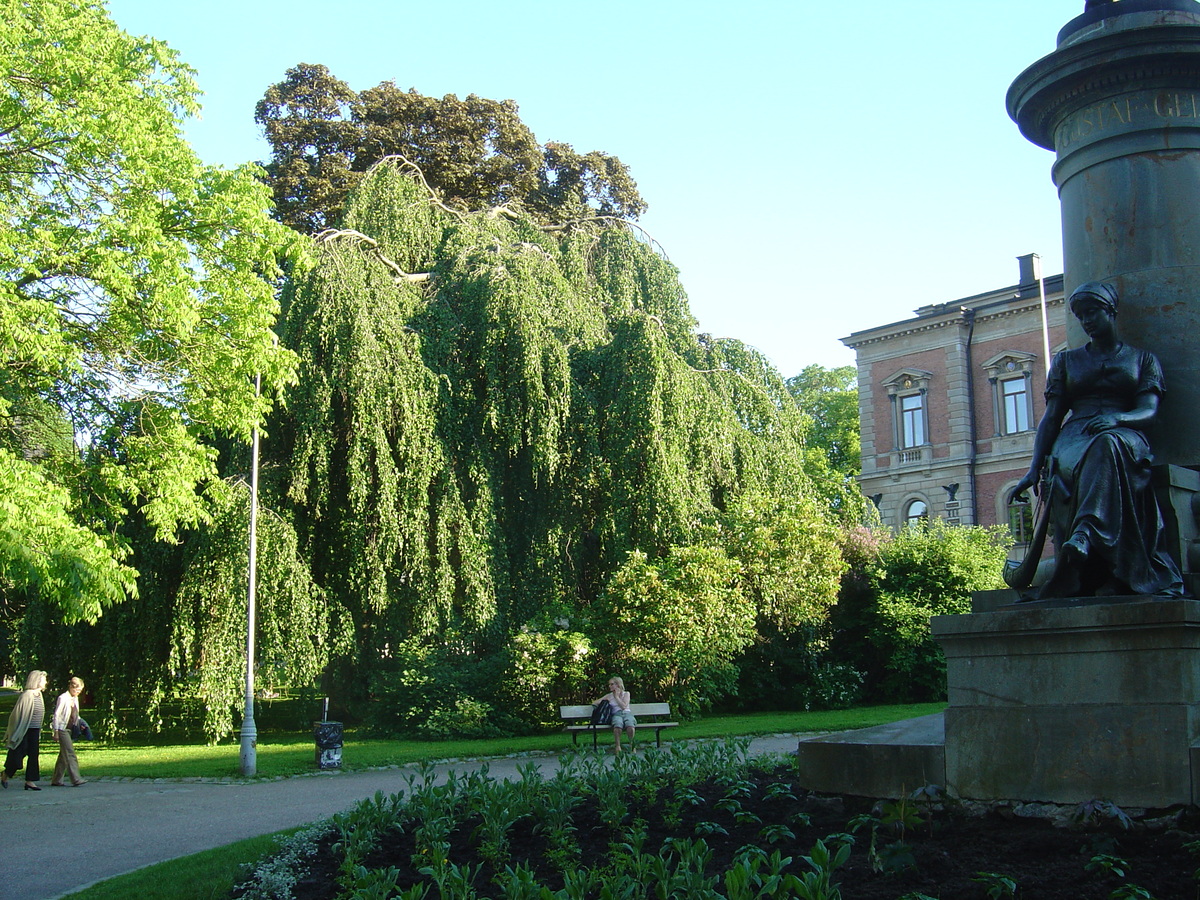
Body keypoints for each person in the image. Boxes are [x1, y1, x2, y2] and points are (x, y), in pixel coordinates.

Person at [1010, 282, 1185, 600]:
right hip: (1074, 438)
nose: (1087, 320)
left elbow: (1148, 411)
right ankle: (1089, 540)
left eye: (1092, 312)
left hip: (1126, 432)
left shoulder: (1142, 360)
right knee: (1103, 447)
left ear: (1111, 312)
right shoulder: (1065, 362)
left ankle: (1085, 533)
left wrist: (1118, 419)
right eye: (1081, 316)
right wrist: (1034, 467)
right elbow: (1052, 418)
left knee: (1108, 445)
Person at [3, 669, 48, 791]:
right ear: (36, 681)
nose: (46, 683)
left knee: (34, 755)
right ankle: (5, 774)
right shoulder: (27, 695)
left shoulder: (39, 695)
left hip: (34, 730)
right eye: (44, 680)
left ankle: (30, 781)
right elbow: (16, 715)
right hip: (24, 730)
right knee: (17, 755)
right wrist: (12, 732)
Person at [51, 676, 87, 787]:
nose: (78, 692)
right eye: (77, 690)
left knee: (63, 755)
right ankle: (76, 778)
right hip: (62, 729)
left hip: (70, 729)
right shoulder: (63, 698)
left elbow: (75, 713)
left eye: (80, 690)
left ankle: (57, 779)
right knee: (70, 753)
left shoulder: (74, 698)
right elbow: (57, 715)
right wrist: (55, 731)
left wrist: (80, 723)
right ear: (71, 687)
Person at [594, 676, 636, 754]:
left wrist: (616, 697)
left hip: (626, 713)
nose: (609, 686)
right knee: (617, 726)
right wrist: (604, 703)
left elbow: (624, 706)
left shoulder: (626, 694)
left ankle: (632, 745)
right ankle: (617, 746)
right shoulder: (609, 696)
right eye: (609, 684)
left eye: (612, 684)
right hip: (616, 714)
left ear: (618, 685)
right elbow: (595, 702)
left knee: (630, 725)